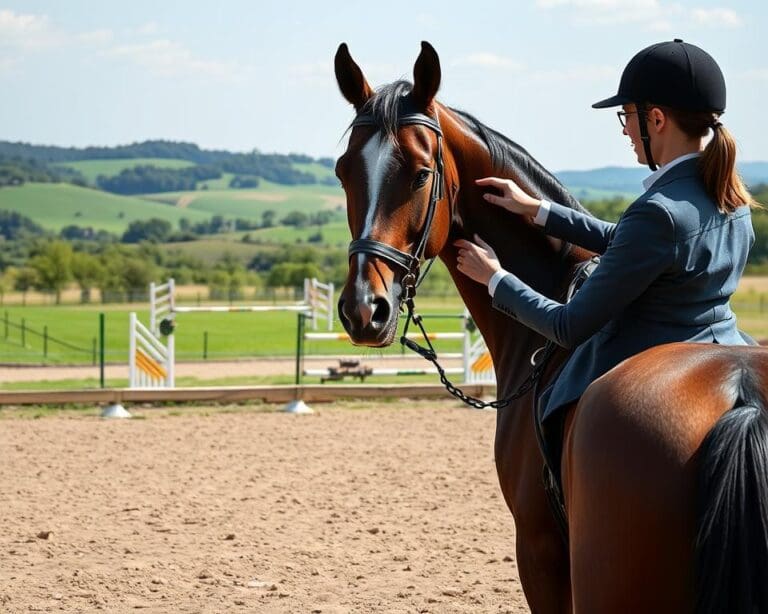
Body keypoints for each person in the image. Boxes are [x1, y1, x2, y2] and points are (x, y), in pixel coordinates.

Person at [454, 39, 758, 430]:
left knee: (552, 418)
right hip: (724, 342)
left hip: (649, 357)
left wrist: (496, 279)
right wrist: (537, 210)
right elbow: (636, 241)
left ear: (658, 120)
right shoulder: (732, 198)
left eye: (627, 115)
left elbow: (568, 327)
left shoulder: (658, 210)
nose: (626, 129)